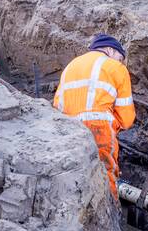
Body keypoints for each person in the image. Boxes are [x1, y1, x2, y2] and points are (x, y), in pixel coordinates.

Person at [54, 34, 135, 197]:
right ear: (110, 50)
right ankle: (112, 215)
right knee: (106, 175)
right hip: (98, 128)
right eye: (120, 58)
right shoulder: (115, 67)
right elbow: (126, 118)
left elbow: (57, 104)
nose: (120, 62)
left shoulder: (71, 65)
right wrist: (114, 126)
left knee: (74, 174)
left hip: (65, 128)